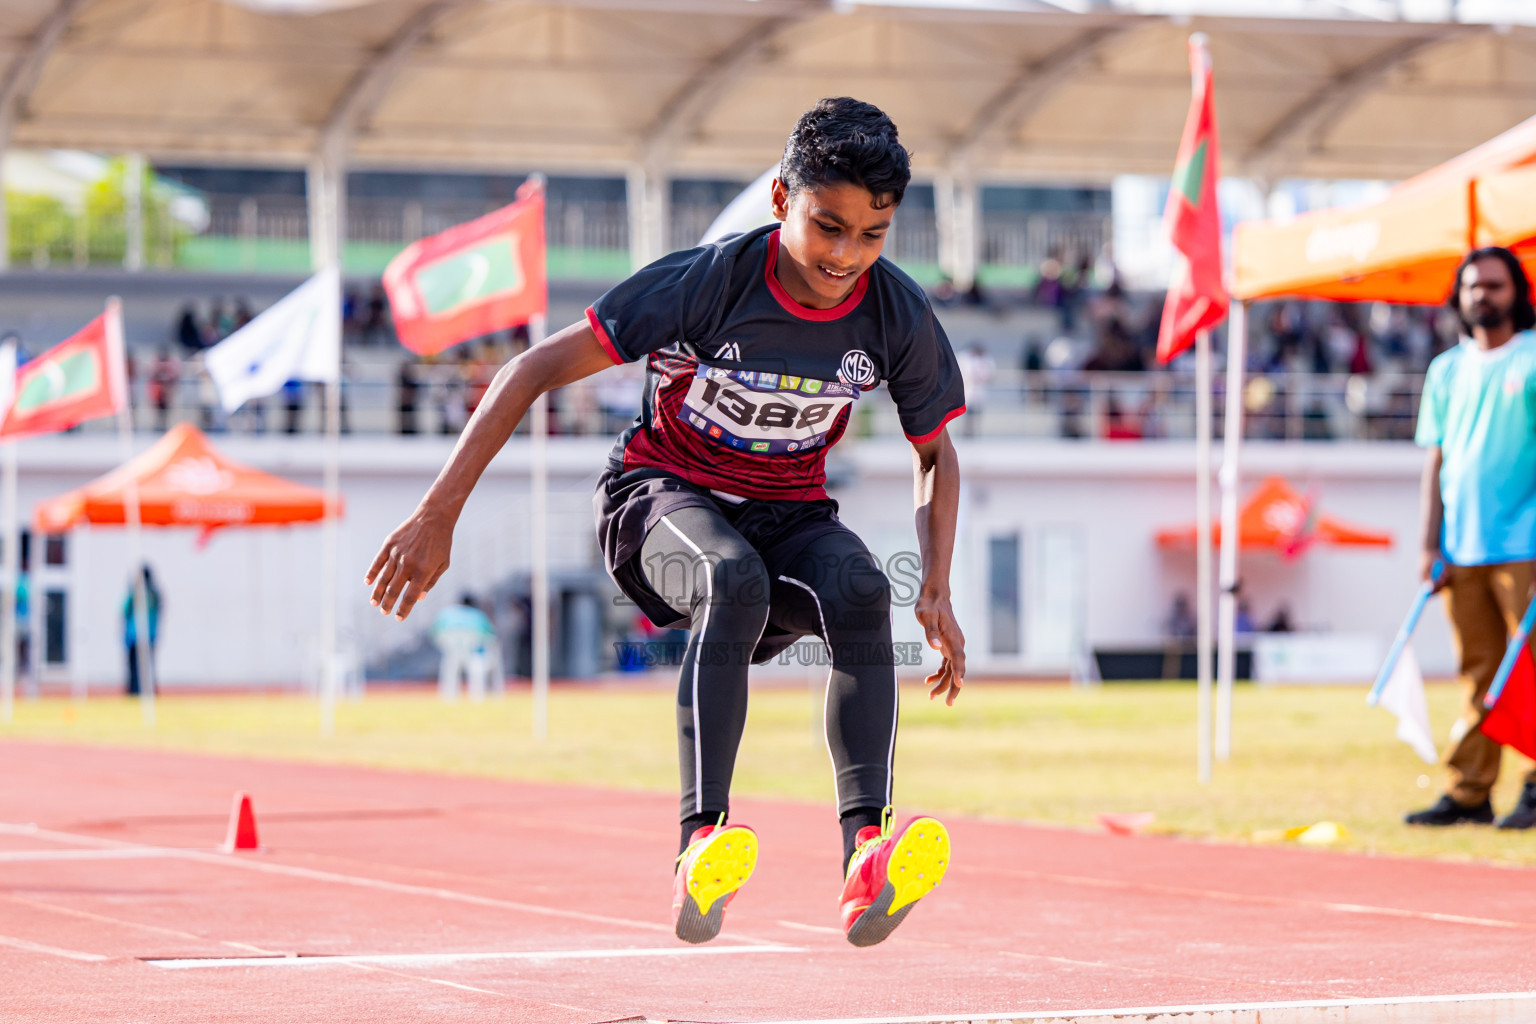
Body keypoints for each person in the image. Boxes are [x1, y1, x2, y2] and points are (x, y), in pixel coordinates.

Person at [365, 97, 966, 949]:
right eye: (827, 227)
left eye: (871, 237)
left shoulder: (895, 313)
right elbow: (530, 370)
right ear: (781, 201)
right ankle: (701, 843)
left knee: (864, 588)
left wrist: (935, 586)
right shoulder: (708, 282)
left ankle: (866, 854)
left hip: (788, 512)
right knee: (733, 578)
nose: (844, 256)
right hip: (658, 501)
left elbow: (937, 453)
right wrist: (437, 514)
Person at [1407, 246, 1536, 830]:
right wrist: (1428, 545)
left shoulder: (1533, 359)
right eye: (1472, 286)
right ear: (1458, 297)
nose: (1482, 294)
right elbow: (1435, 460)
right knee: (1478, 672)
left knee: (1529, 669)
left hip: (1526, 545)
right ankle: (1470, 791)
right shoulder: (1445, 370)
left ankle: (1534, 786)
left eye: (1494, 285)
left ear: (1518, 292)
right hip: (1462, 548)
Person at [123, 565, 161, 696]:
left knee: (135, 666)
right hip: (149, 635)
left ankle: (135, 691)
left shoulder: (136, 593)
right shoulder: (155, 594)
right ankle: (147, 691)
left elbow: (124, 609)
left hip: (136, 635)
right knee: (147, 666)